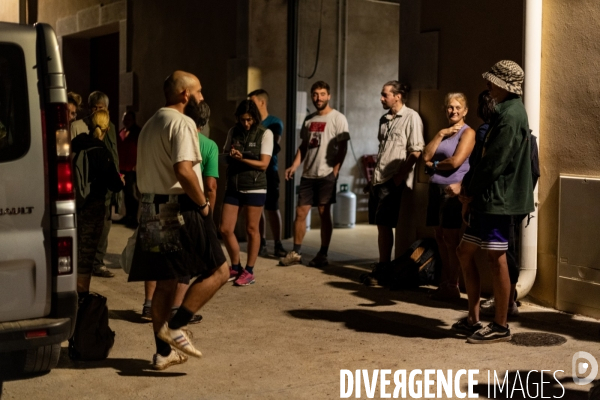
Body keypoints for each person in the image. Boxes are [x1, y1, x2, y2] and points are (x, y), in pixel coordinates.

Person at [128, 71, 229, 370]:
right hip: (180, 209)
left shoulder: (150, 123)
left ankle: (163, 352)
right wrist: (203, 205)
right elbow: (184, 170)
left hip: (150, 209)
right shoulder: (183, 122)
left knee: (165, 283)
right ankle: (176, 326)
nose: (202, 97)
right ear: (185, 94)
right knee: (221, 271)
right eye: (198, 91)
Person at [453, 60, 534, 344]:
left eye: (492, 81)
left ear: (503, 85)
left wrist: (469, 190)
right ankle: (474, 319)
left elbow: (495, 162)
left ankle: (500, 325)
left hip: (497, 198)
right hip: (488, 197)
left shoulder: (511, 115)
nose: (488, 85)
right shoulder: (506, 111)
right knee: (465, 251)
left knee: (495, 257)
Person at [141, 101, 215, 324]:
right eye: (198, 90)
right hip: (182, 204)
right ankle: (177, 315)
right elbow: (190, 174)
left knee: (161, 269)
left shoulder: (152, 127)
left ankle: (150, 308)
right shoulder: (194, 136)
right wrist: (205, 206)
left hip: (153, 202)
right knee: (214, 270)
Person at [279, 81, 350, 267]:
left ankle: (323, 254)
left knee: (324, 213)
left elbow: (343, 148)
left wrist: (335, 171)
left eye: (322, 94)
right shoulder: (309, 119)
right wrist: (294, 166)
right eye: (315, 94)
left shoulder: (338, 118)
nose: (318, 98)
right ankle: (296, 252)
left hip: (327, 174)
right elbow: (303, 146)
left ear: (329, 96)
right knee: (300, 212)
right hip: (308, 174)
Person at [422, 93, 475, 300]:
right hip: (435, 188)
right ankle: (445, 282)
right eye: (450, 108)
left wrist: (433, 165)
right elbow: (425, 155)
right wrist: (440, 133)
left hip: (452, 191)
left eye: (457, 108)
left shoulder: (467, 132)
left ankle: (454, 284)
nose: (453, 111)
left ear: (465, 111)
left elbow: (455, 162)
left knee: (452, 240)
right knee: (440, 237)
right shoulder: (445, 133)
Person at [367, 81, 424, 266]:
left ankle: (384, 266)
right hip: (379, 179)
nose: (381, 98)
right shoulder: (383, 120)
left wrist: (399, 177)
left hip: (392, 180)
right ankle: (382, 264)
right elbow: (382, 150)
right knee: (381, 226)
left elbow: (416, 151)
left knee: (385, 224)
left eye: (385, 95)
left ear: (397, 96)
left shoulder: (411, 117)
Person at [220, 100, 273, 286]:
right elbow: (226, 153)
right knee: (225, 229)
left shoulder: (265, 133)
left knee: (252, 229)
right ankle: (235, 266)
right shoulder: (233, 131)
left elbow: (264, 164)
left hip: (255, 185)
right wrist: (229, 155)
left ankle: (249, 271)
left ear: (255, 118)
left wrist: (242, 159)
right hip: (234, 184)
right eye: (243, 120)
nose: (246, 123)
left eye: (249, 120)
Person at [71, 109, 124, 295]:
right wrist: (121, 180)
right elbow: (115, 184)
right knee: (86, 255)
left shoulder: (76, 144)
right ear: (107, 128)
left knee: (74, 251)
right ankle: (81, 296)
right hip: (93, 208)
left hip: (74, 205)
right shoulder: (102, 152)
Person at [248, 89, 287, 258]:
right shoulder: (251, 122)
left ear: (262, 102)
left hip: (270, 170)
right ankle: (262, 242)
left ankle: (278, 243)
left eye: (252, 102)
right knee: (258, 207)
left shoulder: (275, 122)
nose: (250, 106)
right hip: (254, 170)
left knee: (272, 207)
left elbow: (273, 145)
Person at [116, 111, 141, 228]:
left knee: (132, 193)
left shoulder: (138, 132)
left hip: (133, 168)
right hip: (123, 167)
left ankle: (133, 217)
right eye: (124, 119)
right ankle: (128, 216)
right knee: (126, 193)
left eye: (128, 119)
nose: (126, 121)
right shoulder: (121, 132)